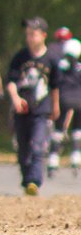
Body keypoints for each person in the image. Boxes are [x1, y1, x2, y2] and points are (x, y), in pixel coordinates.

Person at [7, 16, 60, 195]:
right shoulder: (20, 57)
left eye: (34, 34)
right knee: (23, 147)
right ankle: (26, 179)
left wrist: (55, 106)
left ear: (43, 35)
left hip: (41, 110)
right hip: (22, 109)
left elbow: (54, 86)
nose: (30, 38)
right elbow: (12, 81)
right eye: (28, 34)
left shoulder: (51, 59)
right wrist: (15, 98)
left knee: (37, 145)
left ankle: (34, 181)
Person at [50, 37, 81, 174]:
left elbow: (55, 82)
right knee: (77, 129)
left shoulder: (60, 65)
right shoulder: (79, 67)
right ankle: (76, 157)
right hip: (79, 100)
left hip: (63, 99)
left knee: (58, 129)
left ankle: (53, 158)